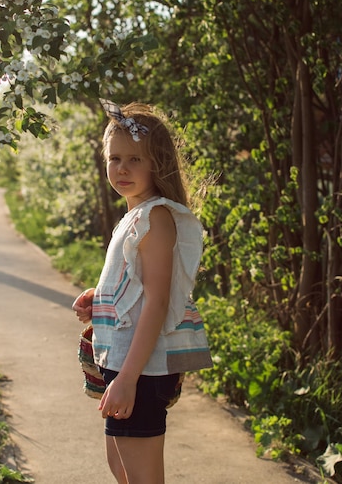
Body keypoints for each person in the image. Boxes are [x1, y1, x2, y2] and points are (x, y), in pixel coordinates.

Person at [72, 100, 212, 484]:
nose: (122, 168)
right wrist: (98, 297)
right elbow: (136, 285)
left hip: (141, 367)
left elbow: (158, 299)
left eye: (135, 159)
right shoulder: (135, 215)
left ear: (158, 163)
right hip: (125, 361)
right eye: (115, 158)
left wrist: (128, 379)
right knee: (121, 467)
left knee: (142, 477)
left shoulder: (157, 217)